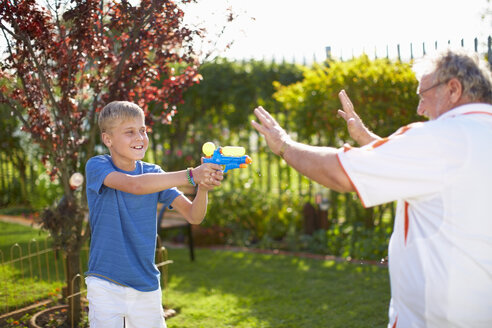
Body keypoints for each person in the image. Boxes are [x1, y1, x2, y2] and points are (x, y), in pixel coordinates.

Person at [251, 48, 492, 328]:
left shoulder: (441, 139)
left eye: (423, 94)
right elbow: (418, 169)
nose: (420, 109)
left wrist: (283, 145)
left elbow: (339, 173)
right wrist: (367, 138)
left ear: (453, 89)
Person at [85, 101, 223, 328]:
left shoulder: (153, 173)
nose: (139, 137)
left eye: (142, 130)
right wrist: (191, 174)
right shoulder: (98, 166)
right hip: (105, 284)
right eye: (129, 132)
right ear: (108, 139)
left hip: (146, 285)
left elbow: (193, 216)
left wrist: (203, 188)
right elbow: (135, 186)